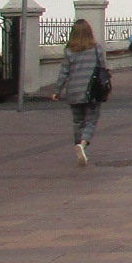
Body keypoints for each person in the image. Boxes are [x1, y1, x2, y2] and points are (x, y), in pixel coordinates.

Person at [50, 18, 108, 166]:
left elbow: (64, 73)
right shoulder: (97, 49)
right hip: (92, 92)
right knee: (91, 121)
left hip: (74, 92)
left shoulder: (69, 51)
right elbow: (102, 69)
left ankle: (78, 146)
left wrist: (57, 91)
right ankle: (82, 145)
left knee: (78, 121)